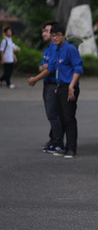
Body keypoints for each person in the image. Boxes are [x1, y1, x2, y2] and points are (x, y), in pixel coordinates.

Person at [27, 21, 64, 154]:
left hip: (53, 84)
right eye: (43, 31)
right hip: (47, 84)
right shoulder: (48, 48)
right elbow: (44, 66)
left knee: (53, 114)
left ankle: (58, 142)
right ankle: (54, 140)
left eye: (46, 31)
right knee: (52, 114)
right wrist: (43, 69)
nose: (44, 34)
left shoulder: (55, 48)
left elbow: (50, 68)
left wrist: (35, 79)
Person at [49, 23, 83, 159]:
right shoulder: (56, 49)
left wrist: (71, 86)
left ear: (64, 36)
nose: (54, 38)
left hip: (70, 86)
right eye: (52, 36)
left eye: (57, 35)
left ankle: (72, 148)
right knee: (62, 118)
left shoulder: (70, 49)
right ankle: (66, 146)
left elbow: (78, 68)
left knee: (69, 118)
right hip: (60, 86)